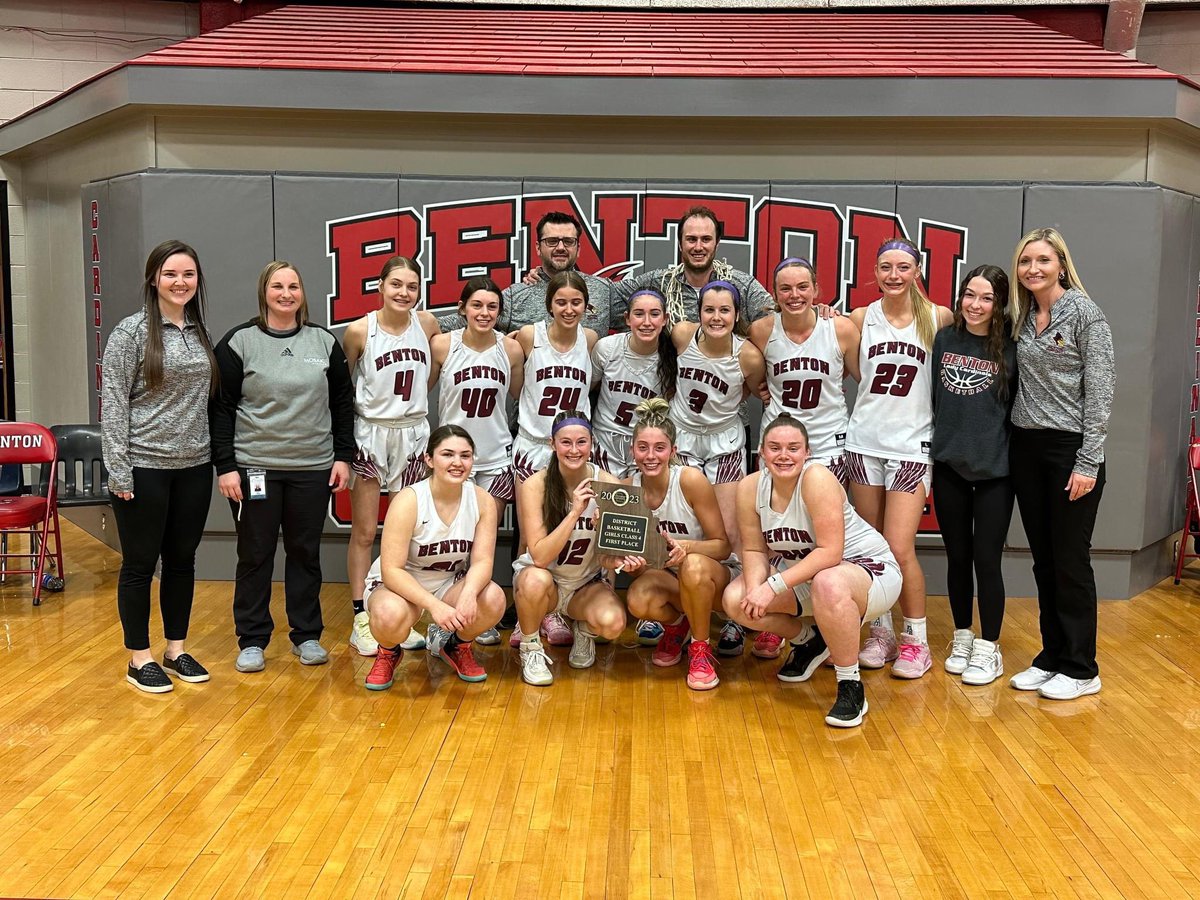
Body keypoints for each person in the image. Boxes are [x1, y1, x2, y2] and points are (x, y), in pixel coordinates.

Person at [211, 260, 354, 672]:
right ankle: (252, 639)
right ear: (264, 292)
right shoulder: (239, 342)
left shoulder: (322, 342)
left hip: (312, 467)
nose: (286, 294)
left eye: (293, 286)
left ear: (302, 293)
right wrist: (226, 466)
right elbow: (220, 408)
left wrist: (342, 456)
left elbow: (342, 404)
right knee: (254, 554)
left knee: (305, 553)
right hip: (255, 468)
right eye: (277, 286)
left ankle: (306, 636)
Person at [721, 415, 901, 727]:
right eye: (775, 448)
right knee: (737, 601)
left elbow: (830, 553)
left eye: (793, 448)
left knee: (828, 582)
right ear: (761, 452)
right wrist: (755, 590)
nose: (784, 455)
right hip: (811, 577)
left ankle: (850, 686)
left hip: (869, 570)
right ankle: (809, 639)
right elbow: (753, 550)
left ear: (807, 452)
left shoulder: (816, 478)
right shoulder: (750, 487)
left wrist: (772, 586)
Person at [101, 240, 219, 693]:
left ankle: (175, 650)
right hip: (143, 466)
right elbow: (113, 404)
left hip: (194, 466)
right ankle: (139, 658)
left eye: (188, 274)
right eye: (171, 274)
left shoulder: (199, 332)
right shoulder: (130, 333)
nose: (180, 282)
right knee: (139, 564)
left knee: (182, 562)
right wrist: (119, 470)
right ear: (154, 279)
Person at [1007, 228, 1113, 700]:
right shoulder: (1023, 316)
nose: (1033, 268)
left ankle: (1082, 667)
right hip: (1026, 449)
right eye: (1025, 261)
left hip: (1070, 451)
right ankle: (1052, 657)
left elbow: (1101, 391)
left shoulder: (1086, 315)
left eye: (1043, 260)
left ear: (1061, 265)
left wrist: (1088, 461)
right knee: (1045, 561)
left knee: (1071, 561)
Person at [845, 238, 953, 678]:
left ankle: (916, 641)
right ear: (874, 271)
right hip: (864, 443)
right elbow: (856, 372)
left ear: (917, 270)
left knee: (899, 546)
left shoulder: (938, 317)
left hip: (911, 446)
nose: (894, 275)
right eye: (886, 267)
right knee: (870, 548)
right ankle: (881, 633)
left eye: (903, 267)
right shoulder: (859, 317)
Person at [342, 256, 442, 659]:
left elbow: (431, 375)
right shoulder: (359, 330)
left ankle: (398, 614)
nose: (404, 292)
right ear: (380, 286)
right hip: (372, 434)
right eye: (396, 284)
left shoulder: (428, 324)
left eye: (412, 286)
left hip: (413, 434)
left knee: (405, 533)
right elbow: (345, 386)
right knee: (366, 531)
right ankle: (360, 618)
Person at [360, 425, 507, 689]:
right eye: (447, 454)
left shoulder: (482, 500)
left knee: (493, 598)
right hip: (402, 584)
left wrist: (468, 594)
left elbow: (483, 561)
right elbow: (392, 570)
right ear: (429, 459)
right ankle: (388, 652)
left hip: (448, 581)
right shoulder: (409, 500)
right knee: (388, 615)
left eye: (465, 455)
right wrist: (434, 606)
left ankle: (456, 646)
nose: (457, 462)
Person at [669, 280, 768, 657]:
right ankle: (678, 612)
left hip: (724, 440)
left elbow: (752, 389)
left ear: (736, 314)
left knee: (730, 531)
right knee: (682, 525)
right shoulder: (682, 335)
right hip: (682, 437)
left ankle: (732, 616)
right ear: (698, 313)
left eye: (724, 310)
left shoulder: (749, 357)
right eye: (709, 309)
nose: (716, 317)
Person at [606, 399, 732, 690]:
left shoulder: (689, 480)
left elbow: (723, 547)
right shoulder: (625, 491)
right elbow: (640, 567)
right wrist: (620, 552)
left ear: (673, 451)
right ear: (632, 450)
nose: (650, 456)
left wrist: (686, 547)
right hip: (671, 582)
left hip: (711, 580)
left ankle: (700, 648)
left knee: (693, 566)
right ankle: (679, 625)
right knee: (638, 598)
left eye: (659, 448)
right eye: (643, 447)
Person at [931, 266, 1018, 686]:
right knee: (958, 557)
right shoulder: (945, 338)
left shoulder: (1013, 347)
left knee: (986, 560)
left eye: (986, 298)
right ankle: (963, 635)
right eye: (969, 294)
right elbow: (935, 400)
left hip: (995, 472)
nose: (976, 305)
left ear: (999, 304)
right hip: (949, 467)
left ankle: (989, 646)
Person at [430, 276, 524, 645]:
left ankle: (476, 614)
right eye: (477, 305)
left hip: (495, 455)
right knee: (453, 538)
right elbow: (421, 392)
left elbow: (521, 396)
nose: (484, 313)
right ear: (462, 308)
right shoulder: (443, 345)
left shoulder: (510, 349)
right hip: (453, 457)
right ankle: (444, 613)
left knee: (482, 539)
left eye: (492, 307)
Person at [512, 271, 600, 647]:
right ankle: (529, 614)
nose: (568, 309)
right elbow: (513, 378)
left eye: (576, 302)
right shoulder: (528, 337)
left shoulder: (590, 339)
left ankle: (569, 612)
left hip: (572, 446)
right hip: (534, 442)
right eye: (561, 302)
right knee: (530, 534)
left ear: (586, 305)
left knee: (583, 523)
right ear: (549, 304)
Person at [510, 411, 622, 685]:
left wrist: (612, 549)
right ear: (552, 444)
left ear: (592, 443)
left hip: (585, 584)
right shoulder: (535, 484)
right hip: (545, 583)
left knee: (614, 622)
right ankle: (531, 648)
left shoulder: (610, 485)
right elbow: (539, 556)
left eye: (581, 442)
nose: (574, 450)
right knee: (535, 579)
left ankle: (584, 630)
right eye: (566, 442)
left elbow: (612, 558)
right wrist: (574, 513)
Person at [751, 257, 860, 488]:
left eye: (802, 287)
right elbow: (751, 374)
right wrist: (762, 389)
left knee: (826, 510)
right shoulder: (761, 331)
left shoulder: (840, 328)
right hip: (779, 444)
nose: (795, 295)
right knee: (776, 511)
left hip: (828, 442)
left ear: (815, 289)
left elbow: (855, 375)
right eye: (785, 289)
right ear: (774, 294)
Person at [443, 211, 616, 335]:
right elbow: (459, 321)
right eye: (552, 241)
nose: (561, 247)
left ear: (578, 248)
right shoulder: (516, 297)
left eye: (569, 241)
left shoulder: (603, 290)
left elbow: (633, 317)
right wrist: (425, 323)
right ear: (538, 248)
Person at [612, 206, 773, 326]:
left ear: (717, 244)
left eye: (706, 239)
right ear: (680, 244)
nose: (698, 247)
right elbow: (607, 292)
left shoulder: (742, 286)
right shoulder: (658, 282)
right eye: (691, 239)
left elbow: (774, 322)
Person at [591, 288, 677, 478]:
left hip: (646, 445)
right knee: (605, 496)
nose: (647, 322)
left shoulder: (673, 357)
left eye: (654, 314)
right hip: (605, 439)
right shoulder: (607, 348)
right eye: (639, 314)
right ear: (627, 318)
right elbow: (590, 387)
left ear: (665, 319)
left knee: (644, 497)